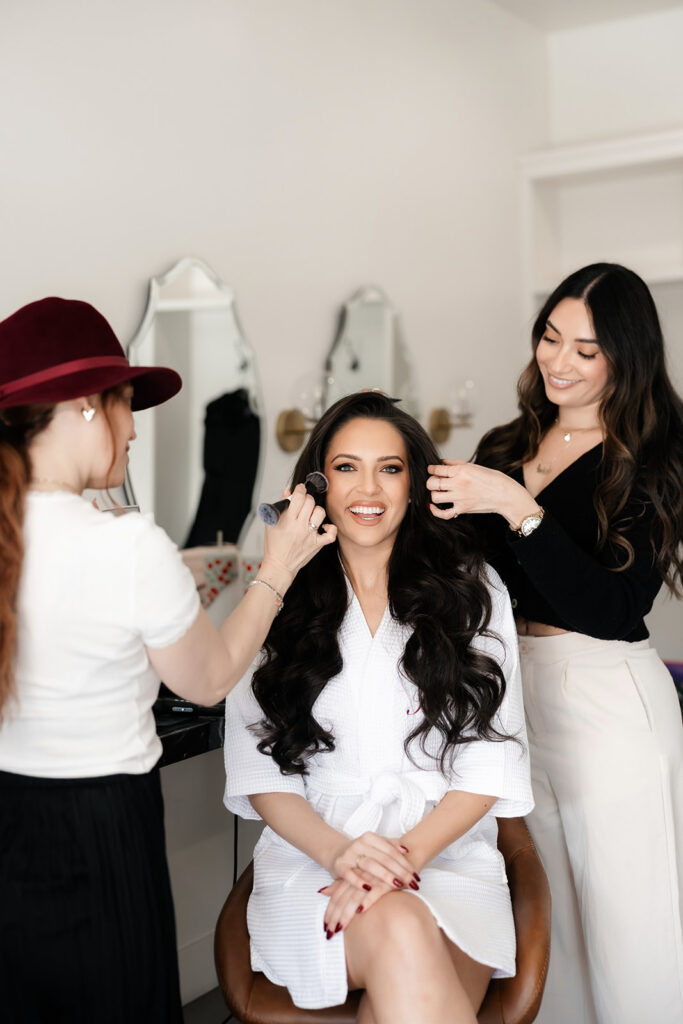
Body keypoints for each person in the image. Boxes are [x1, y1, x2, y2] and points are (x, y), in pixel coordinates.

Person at [0, 296, 336, 1024]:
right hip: (98, 827)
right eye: (127, 408)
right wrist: (276, 571)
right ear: (89, 406)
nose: (133, 434)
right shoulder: (123, 544)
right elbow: (210, 678)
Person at [223, 391, 533, 1024]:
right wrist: (343, 856)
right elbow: (259, 773)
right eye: (345, 467)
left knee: (405, 943)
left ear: (415, 484)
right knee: (403, 937)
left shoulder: (473, 591)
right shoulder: (276, 599)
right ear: (317, 484)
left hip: (445, 862)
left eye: (389, 468)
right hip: (313, 864)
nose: (369, 487)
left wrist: (403, 860)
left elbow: (492, 764)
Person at [426, 263, 683, 1024]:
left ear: (623, 360)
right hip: (513, 691)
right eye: (549, 337)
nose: (558, 361)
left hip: (606, 695)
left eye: (586, 349)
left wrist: (517, 507)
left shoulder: (655, 455)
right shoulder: (507, 441)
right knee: (546, 917)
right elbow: (457, 572)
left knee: (629, 924)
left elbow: (612, 605)